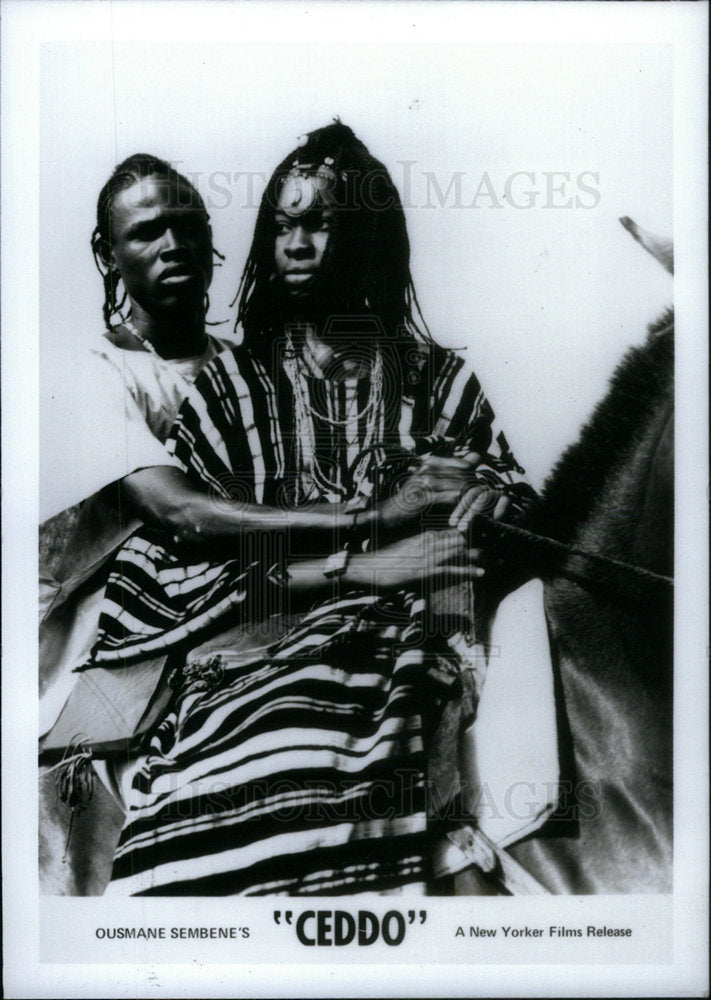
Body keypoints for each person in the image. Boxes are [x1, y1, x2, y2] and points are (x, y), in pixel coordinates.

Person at [78, 123, 537, 896]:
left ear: (366, 235)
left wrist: (496, 503)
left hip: (421, 629)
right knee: (296, 739)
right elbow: (191, 568)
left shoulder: (435, 377)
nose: (294, 244)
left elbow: (511, 491)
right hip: (264, 650)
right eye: (281, 226)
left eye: (319, 223)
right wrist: (367, 561)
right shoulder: (229, 393)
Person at [40, 152, 231, 742]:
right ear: (107, 254)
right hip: (109, 637)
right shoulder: (88, 369)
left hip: (236, 593)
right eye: (147, 232)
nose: (174, 245)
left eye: (188, 226)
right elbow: (183, 514)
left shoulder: (244, 366)